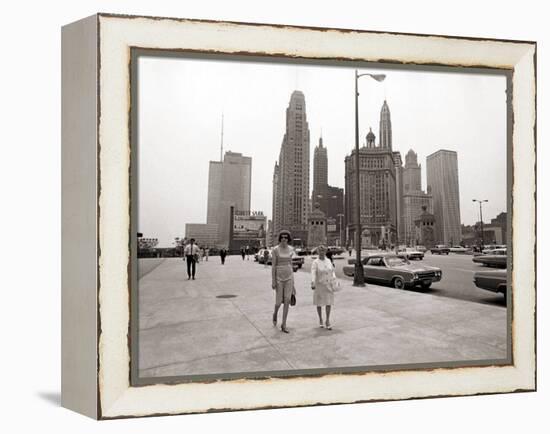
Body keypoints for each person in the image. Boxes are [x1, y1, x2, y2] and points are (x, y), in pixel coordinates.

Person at [271, 230, 295, 333]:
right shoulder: (275, 250)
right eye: (282, 237)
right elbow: (273, 266)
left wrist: (293, 284)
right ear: (280, 238)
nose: (284, 239)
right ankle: (275, 313)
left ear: (288, 239)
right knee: (278, 301)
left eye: (286, 237)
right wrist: (273, 281)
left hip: (289, 276)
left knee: (287, 300)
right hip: (279, 278)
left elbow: (291, 265)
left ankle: (284, 324)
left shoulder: (291, 249)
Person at [311, 245, 336, 330]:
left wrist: (334, 280)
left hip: (328, 285)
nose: (322, 252)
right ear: (318, 252)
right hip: (319, 285)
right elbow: (313, 273)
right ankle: (320, 319)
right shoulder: (315, 262)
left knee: (328, 302)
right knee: (319, 303)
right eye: (320, 251)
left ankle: (327, 320)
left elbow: (332, 271)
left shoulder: (328, 261)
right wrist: (313, 282)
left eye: (323, 251)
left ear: (325, 252)